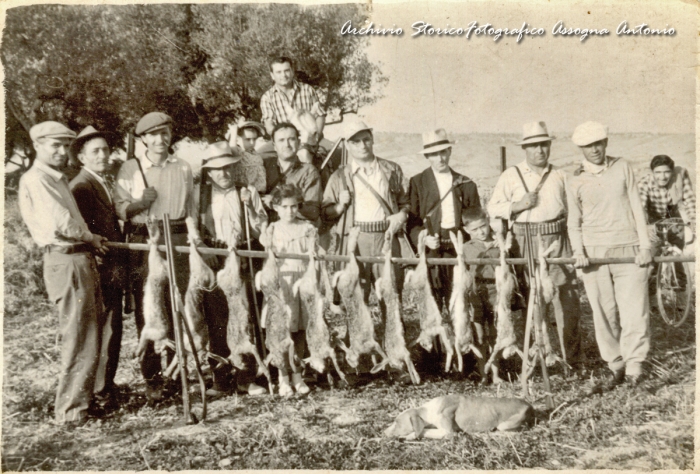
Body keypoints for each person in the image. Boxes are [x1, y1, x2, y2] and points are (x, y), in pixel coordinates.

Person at [18, 121, 108, 426]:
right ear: (37, 147)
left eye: (64, 145)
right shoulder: (38, 179)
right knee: (79, 335)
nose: (60, 151)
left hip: (77, 258)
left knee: (90, 333)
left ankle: (83, 401)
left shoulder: (56, 178)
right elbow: (62, 223)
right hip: (65, 258)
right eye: (53, 145)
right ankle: (70, 412)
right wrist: (91, 237)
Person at [114, 111, 202, 402]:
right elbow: (120, 208)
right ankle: (152, 381)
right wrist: (141, 203)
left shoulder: (184, 167)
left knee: (178, 304)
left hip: (176, 237)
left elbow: (191, 206)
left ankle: (177, 376)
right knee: (149, 307)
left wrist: (192, 235)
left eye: (165, 132)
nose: (160, 139)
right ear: (143, 139)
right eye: (153, 134)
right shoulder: (130, 168)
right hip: (144, 238)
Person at [488, 121, 581, 368]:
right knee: (534, 300)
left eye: (544, 145)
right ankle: (540, 356)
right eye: (534, 146)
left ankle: (569, 359)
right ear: (525, 149)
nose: (540, 150)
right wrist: (517, 205)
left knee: (566, 299)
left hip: (557, 240)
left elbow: (574, 211)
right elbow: (493, 207)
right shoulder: (511, 175)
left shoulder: (561, 175)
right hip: (524, 239)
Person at [567, 121, 652, 388]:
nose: (595, 149)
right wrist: (579, 252)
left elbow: (638, 208)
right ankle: (616, 365)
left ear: (606, 143)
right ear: (581, 148)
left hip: (629, 249)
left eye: (599, 143)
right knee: (604, 312)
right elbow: (574, 221)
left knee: (634, 310)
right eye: (588, 145)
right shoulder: (574, 178)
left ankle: (635, 366)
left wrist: (646, 246)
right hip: (594, 255)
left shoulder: (623, 167)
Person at [198, 141, 268, 397]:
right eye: (217, 169)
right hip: (215, 257)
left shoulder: (246, 191)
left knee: (246, 316)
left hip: (244, 255)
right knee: (217, 318)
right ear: (209, 172)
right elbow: (193, 225)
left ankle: (246, 377)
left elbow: (262, 229)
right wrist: (202, 248)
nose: (223, 174)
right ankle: (220, 378)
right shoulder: (200, 194)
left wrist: (250, 207)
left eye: (228, 168)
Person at [322, 119, 411, 305]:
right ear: (347, 145)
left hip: (385, 237)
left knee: (390, 291)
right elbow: (326, 212)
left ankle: (393, 332)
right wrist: (339, 205)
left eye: (366, 139)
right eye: (356, 142)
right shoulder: (339, 176)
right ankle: (355, 334)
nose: (362, 145)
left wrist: (402, 215)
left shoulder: (391, 169)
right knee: (354, 292)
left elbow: (406, 202)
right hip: (355, 238)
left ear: (372, 139)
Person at [69, 126, 125, 410]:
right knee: (107, 330)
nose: (103, 155)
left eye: (105, 149)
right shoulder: (81, 186)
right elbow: (85, 233)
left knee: (112, 329)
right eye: (95, 151)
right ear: (82, 157)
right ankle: (102, 392)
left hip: (112, 266)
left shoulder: (100, 181)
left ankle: (106, 385)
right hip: (103, 268)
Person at [407, 129, 481, 311]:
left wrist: (464, 242)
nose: (440, 158)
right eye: (434, 154)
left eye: (443, 152)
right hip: (431, 250)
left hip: (457, 250)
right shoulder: (417, 182)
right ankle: (435, 340)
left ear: (450, 152)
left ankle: (460, 338)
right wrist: (423, 238)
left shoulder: (466, 184)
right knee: (431, 302)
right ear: (427, 156)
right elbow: (412, 221)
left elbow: (475, 220)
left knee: (458, 300)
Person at [259, 184, 316, 397]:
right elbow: (267, 251)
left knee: (299, 330)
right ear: (276, 207)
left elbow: (315, 253)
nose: (290, 211)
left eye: (294, 206)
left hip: (302, 282)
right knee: (280, 332)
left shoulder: (307, 228)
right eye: (284, 207)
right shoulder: (272, 229)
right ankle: (282, 377)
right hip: (282, 283)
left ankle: (297, 375)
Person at [460, 207, 506, 382]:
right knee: (479, 334)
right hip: (475, 292)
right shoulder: (466, 247)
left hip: (496, 291)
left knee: (496, 333)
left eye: (483, 226)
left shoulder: (499, 243)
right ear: (466, 230)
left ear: (488, 222)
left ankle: (496, 373)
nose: (480, 232)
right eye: (474, 229)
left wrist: (501, 244)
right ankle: (483, 373)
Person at [262, 122, 322, 225]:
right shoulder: (264, 167)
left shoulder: (308, 171)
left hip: (295, 233)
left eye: (291, 139)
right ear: (274, 146)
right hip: (267, 231)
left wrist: (278, 202)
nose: (287, 144)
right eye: (281, 140)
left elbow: (313, 212)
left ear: (298, 143)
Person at [638, 154, 696, 254]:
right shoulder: (644, 183)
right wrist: (646, 227)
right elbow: (640, 208)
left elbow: (690, 201)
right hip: (653, 222)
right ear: (652, 172)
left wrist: (693, 220)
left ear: (672, 172)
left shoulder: (679, 177)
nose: (662, 177)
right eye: (658, 172)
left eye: (667, 172)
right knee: (652, 252)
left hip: (674, 219)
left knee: (686, 250)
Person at [260, 56, 326, 138]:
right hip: (285, 142)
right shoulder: (267, 98)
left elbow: (320, 115)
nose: (283, 75)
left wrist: (317, 137)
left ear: (292, 72)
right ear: (272, 75)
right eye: (279, 72)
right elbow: (269, 125)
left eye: (286, 71)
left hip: (310, 139)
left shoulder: (307, 89)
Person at [226, 121, 267, 193]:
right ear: (237, 140)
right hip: (244, 192)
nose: (252, 143)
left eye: (254, 139)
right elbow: (232, 150)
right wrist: (234, 133)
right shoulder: (239, 152)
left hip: (259, 192)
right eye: (248, 139)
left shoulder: (255, 153)